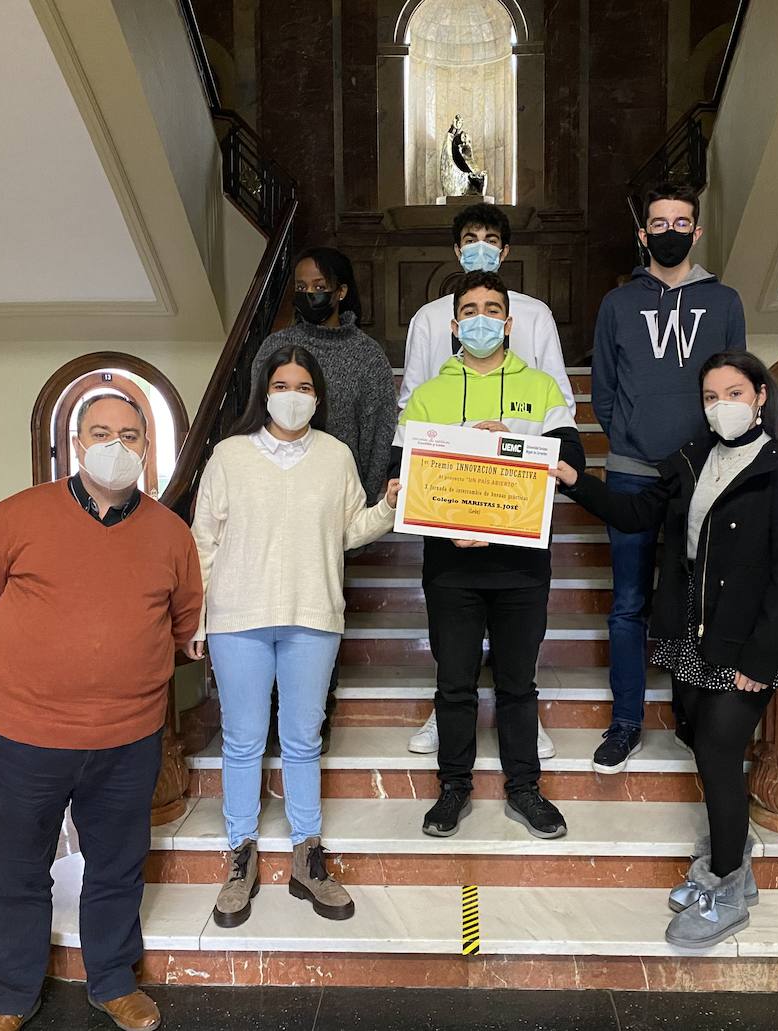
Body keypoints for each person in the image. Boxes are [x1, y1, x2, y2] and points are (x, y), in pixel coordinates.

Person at [555, 351, 778, 948]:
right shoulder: (689, 460)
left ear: (760, 396)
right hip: (689, 633)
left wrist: (760, 659)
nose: (720, 405)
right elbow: (634, 513)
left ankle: (725, 882)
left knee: (721, 750)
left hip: (746, 643)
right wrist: (575, 482)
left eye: (732, 393)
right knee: (698, 738)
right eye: (709, 397)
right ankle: (735, 858)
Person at [0, 394, 203, 1031]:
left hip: (128, 738)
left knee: (116, 868)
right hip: (21, 735)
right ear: (75, 441)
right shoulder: (18, 516)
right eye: (101, 432)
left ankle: (113, 981)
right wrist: (35, 658)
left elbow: (182, 626)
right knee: (16, 871)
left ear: (147, 448)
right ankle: (10, 997)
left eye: (129, 434)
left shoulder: (170, 533)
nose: (115, 445)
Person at [191, 346, 400, 929]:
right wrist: (197, 618)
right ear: (264, 391)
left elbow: (351, 529)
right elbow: (202, 541)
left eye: (304, 387)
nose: (292, 395)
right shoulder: (229, 455)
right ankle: (242, 854)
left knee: (303, 739)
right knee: (242, 740)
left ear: (317, 397)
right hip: (237, 618)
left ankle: (309, 854)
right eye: (282, 384)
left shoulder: (334, 456)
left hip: (313, 614)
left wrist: (385, 507)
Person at [396, 270, 585, 840]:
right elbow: (402, 470)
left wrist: (516, 447)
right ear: (455, 325)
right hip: (450, 562)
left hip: (521, 563)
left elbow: (571, 459)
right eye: (471, 309)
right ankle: (452, 789)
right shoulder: (429, 393)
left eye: (493, 308)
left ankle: (524, 788)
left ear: (509, 320)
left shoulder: (544, 388)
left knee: (517, 684)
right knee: (454, 683)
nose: (483, 317)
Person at [589, 182, 747, 774]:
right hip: (631, 472)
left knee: (695, 598)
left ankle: (693, 716)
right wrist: (631, 435)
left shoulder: (725, 301)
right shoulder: (618, 304)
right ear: (644, 233)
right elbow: (604, 390)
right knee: (628, 603)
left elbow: (737, 383)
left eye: (682, 221)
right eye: (659, 223)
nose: (670, 231)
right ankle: (625, 722)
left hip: (705, 474)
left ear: (697, 232)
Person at [250, 247, 397, 753]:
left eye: (320, 286)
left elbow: (381, 432)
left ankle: (315, 711)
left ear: (340, 291)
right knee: (268, 609)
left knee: (319, 616)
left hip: (332, 510)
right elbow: (254, 413)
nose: (310, 293)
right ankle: (267, 711)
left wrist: (366, 502)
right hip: (269, 504)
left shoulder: (367, 354)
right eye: (302, 285)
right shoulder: (276, 344)